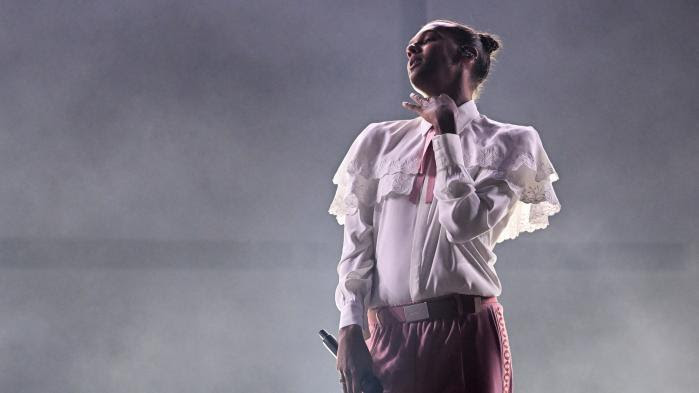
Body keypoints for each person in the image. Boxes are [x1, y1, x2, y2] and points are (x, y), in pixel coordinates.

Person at [329, 19, 561, 393]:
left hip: (465, 330)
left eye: (428, 40)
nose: (412, 50)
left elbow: (463, 225)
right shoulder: (377, 141)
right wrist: (349, 327)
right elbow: (356, 250)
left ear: (467, 55)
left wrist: (447, 135)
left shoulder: (512, 143)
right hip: (385, 335)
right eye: (410, 45)